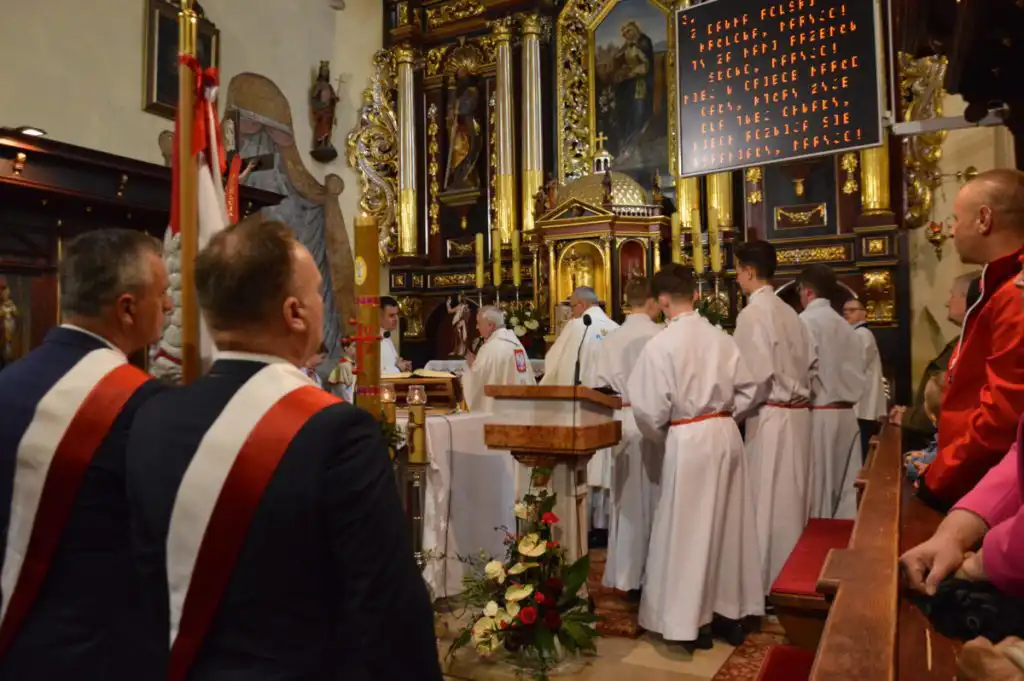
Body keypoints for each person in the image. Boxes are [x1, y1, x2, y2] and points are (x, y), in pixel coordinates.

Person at [124, 219, 442, 681]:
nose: (321, 307)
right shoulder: (337, 434)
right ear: (296, 313)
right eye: (318, 294)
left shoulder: (152, 417)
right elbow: (387, 609)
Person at [0, 229, 170, 681]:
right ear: (127, 308)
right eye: (163, 294)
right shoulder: (143, 406)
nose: (170, 307)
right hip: (95, 653)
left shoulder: (8, 383)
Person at [628, 264, 763, 649]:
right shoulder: (722, 337)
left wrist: (665, 435)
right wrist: (725, 416)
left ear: (663, 301)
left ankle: (689, 623)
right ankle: (730, 613)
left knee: (688, 528)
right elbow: (751, 388)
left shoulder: (661, 345)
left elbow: (649, 409)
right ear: (695, 296)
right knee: (729, 523)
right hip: (723, 433)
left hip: (688, 436)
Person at [921, 169, 1024, 509]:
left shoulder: (1015, 296)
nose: (951, 230)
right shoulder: (1000, 286)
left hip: (985, 488)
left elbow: (1002, 416)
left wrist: (939, 480)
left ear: (984, 219)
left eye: (955, 219)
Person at [732, 240, 814, 592]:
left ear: (749, 271)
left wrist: (730, 414)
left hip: (771, 417)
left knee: (766, 504)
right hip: (797, 416)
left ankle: (765, 583)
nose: (736, 279)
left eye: (737, 271)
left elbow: (754, 377)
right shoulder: (790, 312)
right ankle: (795, 575)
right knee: (792, 500)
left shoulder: (753, 314)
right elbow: (812, 363)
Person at [592, 278, 663, 593]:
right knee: (658, 499)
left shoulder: (611, 339)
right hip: (656, 419)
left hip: (621, 419)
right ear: (651, 301)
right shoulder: (661, 335)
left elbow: (598, 386)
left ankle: (626, 575)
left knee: (627, 502)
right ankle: (655, 571)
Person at [540, 286, 619, 533]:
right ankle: (604, 524)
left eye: (571, 307)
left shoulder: (578, 327)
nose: (571, 313)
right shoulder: (616, 328)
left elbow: (554, 363)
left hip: (582, 408)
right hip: (610, 408)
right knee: (604, 466)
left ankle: (583, 526)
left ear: (582, 305)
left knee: (585, 468)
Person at [797, 264, 866, 519]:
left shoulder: (804, 322)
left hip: (820, 415)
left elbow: (802, 368)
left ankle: (818, 554)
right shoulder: (845, 325)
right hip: (848, 416)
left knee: (819, 495)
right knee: (845, 496)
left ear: (807, 292)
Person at [892, 272, 981, 452]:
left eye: (952, 295)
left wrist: (909, 417)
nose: (948, 302)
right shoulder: (963, 339)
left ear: (967, 299)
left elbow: (951, 398)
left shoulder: (974, 342)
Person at [461, 306, 535, 413]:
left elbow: (477, 381)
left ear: (490, 325)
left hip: (501, 412)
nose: (477, 327)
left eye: (479, 323)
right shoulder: (517, 345)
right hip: (522, 408)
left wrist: (473, 366)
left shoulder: (490, 348)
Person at [842, 297, 887, 461]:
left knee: (862, 453)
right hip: (861, 404)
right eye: (845, 311)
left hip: (863, 405)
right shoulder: (856, 334)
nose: (847, 314)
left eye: (852, 310)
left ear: (864, 313)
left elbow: (855, 366)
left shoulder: (862, 334)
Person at [905, 372, 945, 482]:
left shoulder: (945, 442)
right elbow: (932, 449)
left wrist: (912, 461)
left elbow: (916, 469)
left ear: (932, 416)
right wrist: (923, 453)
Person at [380, 295, 412, 375]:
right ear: (379, 317)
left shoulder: (387, 337)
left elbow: (389, 366)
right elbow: (375, 375)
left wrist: (402, 366)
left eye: (397, 314)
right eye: (391, 315)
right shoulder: (371, 340)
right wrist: (397, 368)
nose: (396, 319)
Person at [328, 338, 356, 403]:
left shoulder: (353, 364)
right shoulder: (343, 365)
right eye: (355, 346)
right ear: (346, 348)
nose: (358, 349)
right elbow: (344, 391)